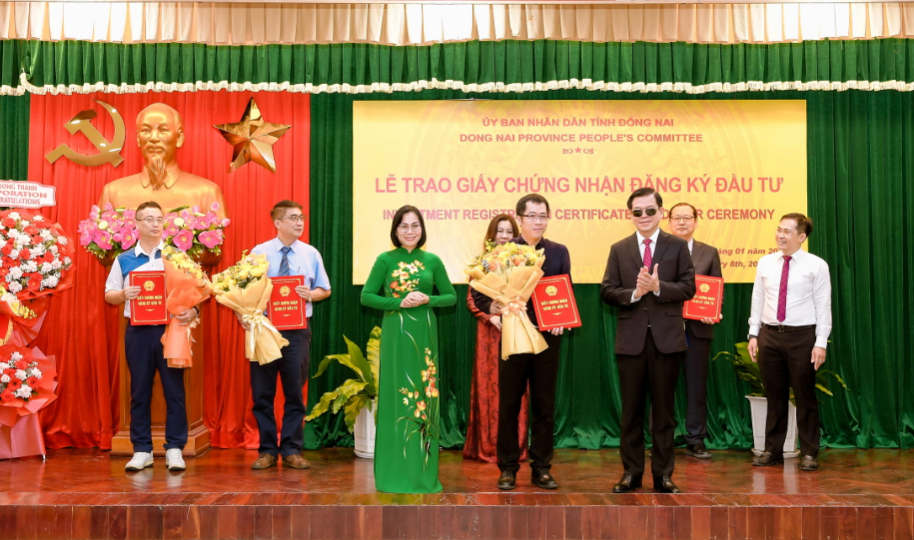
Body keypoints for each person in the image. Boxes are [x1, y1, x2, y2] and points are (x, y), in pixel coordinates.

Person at [472, 194, 571, 491]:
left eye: (543, 216)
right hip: (513, 337)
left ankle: (542, 468)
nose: (538, 222)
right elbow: (479, 295)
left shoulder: (558, 251)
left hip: (546, 338)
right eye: (532, 216)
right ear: (520, 218)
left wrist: (561, 319)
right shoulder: (503, 252)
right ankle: (508, 468)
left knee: (544, 404)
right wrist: (499, 309)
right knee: (510, 404)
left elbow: (563, 290)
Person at [600, 188, 695, 494]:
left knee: (664, 414)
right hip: (631, 342)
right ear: (630, 215)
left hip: (667, 341)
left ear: (661, 212)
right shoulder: (619, 248)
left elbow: (689, 288)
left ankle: (663, 475)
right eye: (637, 212)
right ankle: (631, 473)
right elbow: (606, 290)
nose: (643, 217)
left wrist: (657, 287)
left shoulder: (677, 246)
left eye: (649, 211)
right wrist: (633, 294)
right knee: (631, 413)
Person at [361, 205, 456, 493]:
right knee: (396, 398)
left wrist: (428, 299)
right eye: (404, 226)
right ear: (395, 230)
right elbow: (367, 296)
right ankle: (393, 472)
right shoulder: (385, 260)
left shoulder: (433, 260)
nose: (410, 231)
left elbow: (450, 297)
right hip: (395, 335)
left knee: (425, 398)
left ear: (422, 228)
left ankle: (422, 473)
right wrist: (398, 302)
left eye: (415, 225)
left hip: (425, 334)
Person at [104, 201, 199, 472]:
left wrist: (192, 311)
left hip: (171, 330)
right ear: (137, 224)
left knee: (175, 392)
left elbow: (196, 291)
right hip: (138, 332)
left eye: (159, 219)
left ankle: (175, 449)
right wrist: (123, 295)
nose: (155, 224)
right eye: (149, 219)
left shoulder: (176, 256)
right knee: (140, 392)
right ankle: (142, 449)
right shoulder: (124, 259)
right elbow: (109, 294)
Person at [241, 200, 331, 470]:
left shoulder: (310, 253)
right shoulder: (259, 252)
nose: (299, 222)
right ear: (278, 223)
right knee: (262, 393)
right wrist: (242, 315)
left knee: (294, 392)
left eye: (301, 217)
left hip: (297, 332)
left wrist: (309, 294)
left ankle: (292, 449)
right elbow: (242, 291)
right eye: (293, 218)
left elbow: (324, 290)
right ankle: (267, 450)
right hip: (265, 329)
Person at [748, 213, 831, 472]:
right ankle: (772, 450)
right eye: (778, 229)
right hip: (769, 335)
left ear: (801, 237)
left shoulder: (817, 265)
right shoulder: (765, 263)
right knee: (774, 396)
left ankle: (809, 452)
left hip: (802, 337)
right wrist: (753, 333)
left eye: (786, 231)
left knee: (805, 396)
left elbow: (823, 305)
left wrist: (821, 343)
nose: (780, 235)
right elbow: (758, 300)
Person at [463, 214, 530, 463]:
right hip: (489, 333)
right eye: (499, 231)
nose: (504, 236)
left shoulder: (524, 263)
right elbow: (471, 299)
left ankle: (517, 448)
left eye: (509, 231)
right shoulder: (482, 264)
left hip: (517, 331)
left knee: (517, 387)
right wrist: (489, 317)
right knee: (489, 386)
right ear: (491, 236)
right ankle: (488, 447)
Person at [99, 103, 227, 218]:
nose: (153, 138)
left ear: (179, 138)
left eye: (163, 130)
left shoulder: (206, 193)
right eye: (146, 131)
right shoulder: (113, 192)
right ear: (138, 139)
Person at [668, 202, 722, 460]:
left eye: (687, 218)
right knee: (661, 385)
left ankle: (696, 438)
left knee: (697, 386)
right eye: (676, 218)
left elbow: (715, 288)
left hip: (697, 329)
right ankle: (662, 438)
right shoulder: (657, 250)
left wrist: (714, 311)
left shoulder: (709, 252)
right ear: (668, 222)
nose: (681, 222)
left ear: (696, 221)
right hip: (664, 329)